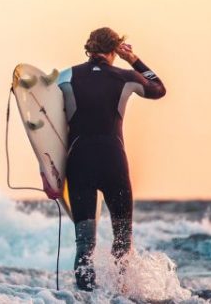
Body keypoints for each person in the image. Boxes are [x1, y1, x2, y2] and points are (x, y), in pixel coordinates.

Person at [58, 27, 166, 290]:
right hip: (113, 163)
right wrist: (133, 59)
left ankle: (85, 298)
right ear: (115, 49)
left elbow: (45, 123)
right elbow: (159, 88)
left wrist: (49, 173)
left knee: (84, 244)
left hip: (79, 164)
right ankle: (121, 295)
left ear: (88, 47)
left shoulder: (65, 76)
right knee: (122, 241)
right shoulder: (125, 76)